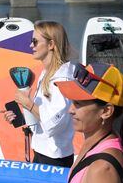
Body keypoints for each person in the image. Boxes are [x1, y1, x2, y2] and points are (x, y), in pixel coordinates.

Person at [10, 21, 81, 167]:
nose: (31, 46)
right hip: (42, 152)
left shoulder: (62, 79)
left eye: (35, 42)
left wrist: (28, 104)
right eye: (31, 41)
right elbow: (44, 115)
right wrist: (19, 117)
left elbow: (54, 124)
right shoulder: (47, 73)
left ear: (51, 45)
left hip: (55, 158)